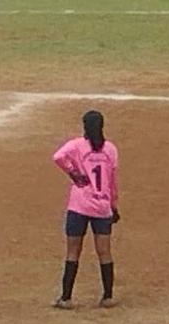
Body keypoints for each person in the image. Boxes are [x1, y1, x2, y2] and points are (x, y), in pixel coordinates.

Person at [51, 109, 120, 309]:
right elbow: (113, 181)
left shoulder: (77, 146)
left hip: (79, 205)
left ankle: (66, 298)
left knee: (73, 251)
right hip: (101, 206)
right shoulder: (110, 150)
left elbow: (58, 157)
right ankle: (107, 296)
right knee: (104, 252)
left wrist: (73, 173)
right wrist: (113, 205)